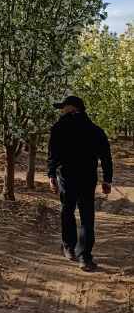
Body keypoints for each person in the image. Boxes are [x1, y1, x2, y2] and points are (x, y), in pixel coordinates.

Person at [47, 95, 113, 272]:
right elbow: (106, 157)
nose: (61, 111)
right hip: (87, 178)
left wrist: (51, 175)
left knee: (67, 211)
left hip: (67, 178)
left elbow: (53, 155)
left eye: (63, 107)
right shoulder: (95, 130)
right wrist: (107, 180)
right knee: (86, 217)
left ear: (71, 108)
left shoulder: (59, 128)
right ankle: (84, 257)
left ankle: (68, 247)